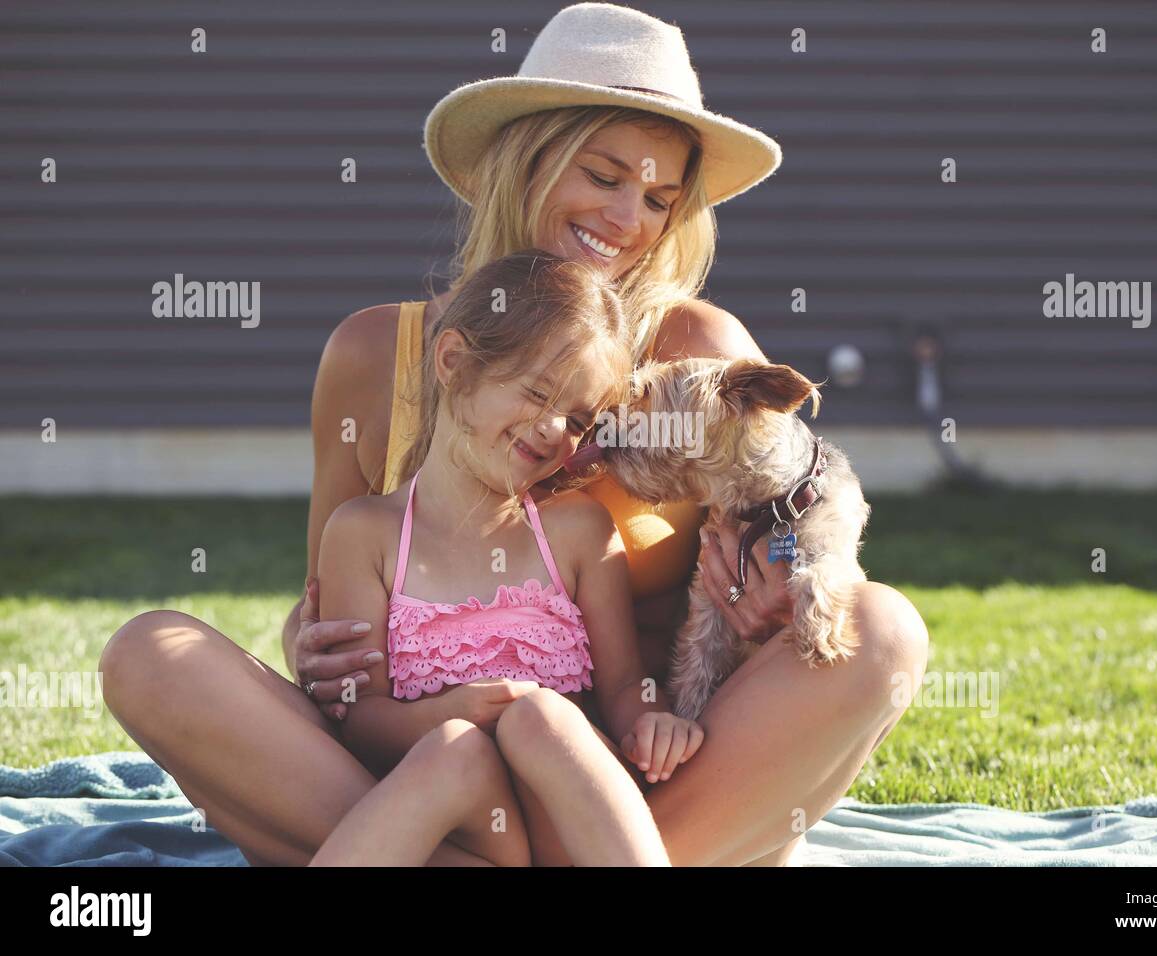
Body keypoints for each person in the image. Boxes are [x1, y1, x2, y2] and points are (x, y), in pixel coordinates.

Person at [101, 2, 928, 867]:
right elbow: (328, 612)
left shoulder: (700, 357)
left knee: (884, 632)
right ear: (526, 158)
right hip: (415, 768)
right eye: (603, 175)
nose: (626, 218)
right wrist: (308, 647)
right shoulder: (376, 354)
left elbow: (802, 545)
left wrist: (764, 610)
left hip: (632, 785)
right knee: (151, 654)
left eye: (657, 197)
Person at [309, 250, 699, 865]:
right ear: (454, 363)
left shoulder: (578, 531)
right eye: (538, 393)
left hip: (561, 816)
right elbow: (360, 715)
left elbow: (625, 684)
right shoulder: (366, 533)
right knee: (454, 749)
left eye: (577, 419)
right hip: (461, 818)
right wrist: (448, 713)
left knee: (536, 718)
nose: (552, 430)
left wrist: (650, 720)